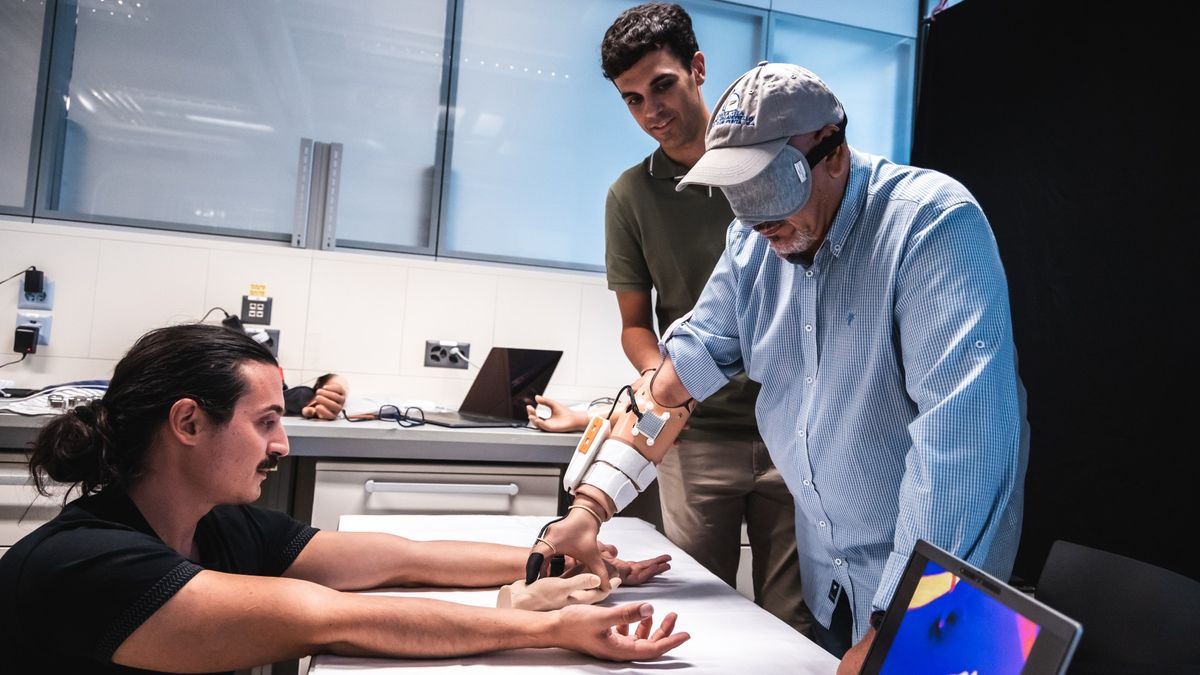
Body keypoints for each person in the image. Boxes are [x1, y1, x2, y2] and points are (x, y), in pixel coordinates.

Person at [531, 61, 1029, 674]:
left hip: (935, 597)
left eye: (772, 189)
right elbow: (675, 379)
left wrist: (899, 630)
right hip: (834, 579)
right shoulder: (755, 243)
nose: (761, 223)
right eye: (741, 196)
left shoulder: (930, 224)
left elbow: (963, 448)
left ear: (834, 155)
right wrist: (590, 508)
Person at [0, 323, 687, 674]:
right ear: (187, 423)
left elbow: (398, 558)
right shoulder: (87, 562)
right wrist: (550, 629)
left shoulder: (217, 527)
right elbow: (327, 617)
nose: (283, 444)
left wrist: (551, 559)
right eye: (265, 420)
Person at [527, 2, 812, 635]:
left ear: (698, 69)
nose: (652, 110)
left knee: (795, 615)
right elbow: (651, 331)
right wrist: (667, 388)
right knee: (697, 605)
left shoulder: (771, 172)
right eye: (632, 99)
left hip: (793, 426)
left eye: (663, 85)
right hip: (694, 432)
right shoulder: (631, 196)